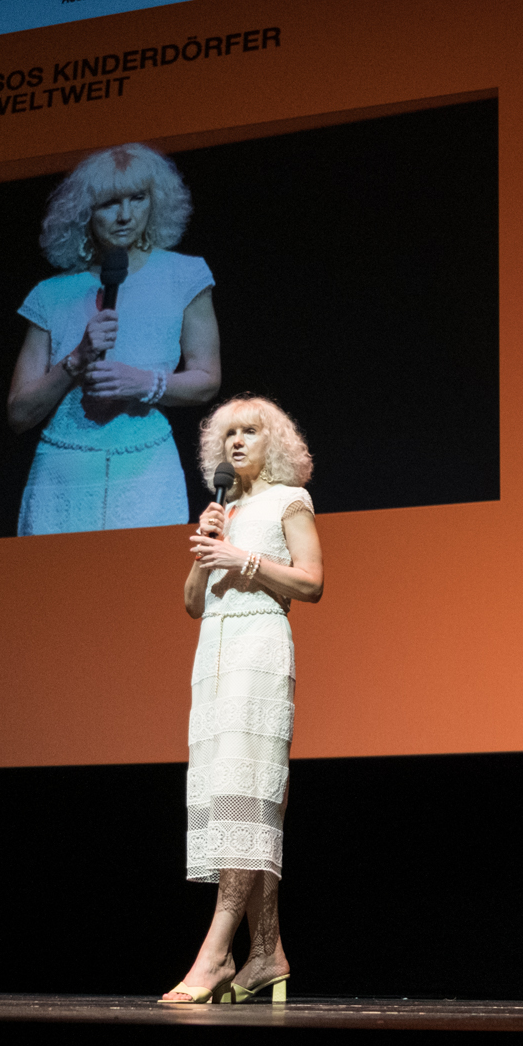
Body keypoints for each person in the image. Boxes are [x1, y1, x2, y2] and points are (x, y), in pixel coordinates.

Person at [163, 397, 323, 1004]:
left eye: (249, 431)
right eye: (228, 433)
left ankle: (215, 954)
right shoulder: (223, 509)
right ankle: (266, 954)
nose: (236, 442)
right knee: (228, 793)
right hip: (214, 651)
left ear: (271, 442)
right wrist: (208, 548)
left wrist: (243, 558)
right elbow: (192, 603)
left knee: (247, 792)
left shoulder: (290, 501)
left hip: (259, 644)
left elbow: (312, 582)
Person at [8, 143, 222, 535]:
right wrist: (75, 360)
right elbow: (19, 413)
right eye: (109, 203)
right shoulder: (51, 294)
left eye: (138, 199)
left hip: (147, 467)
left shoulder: (184, 275)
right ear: (83, 212)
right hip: (64, 471)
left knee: (143, 571)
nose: (125, 215)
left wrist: (142, 382)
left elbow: (207, 379)